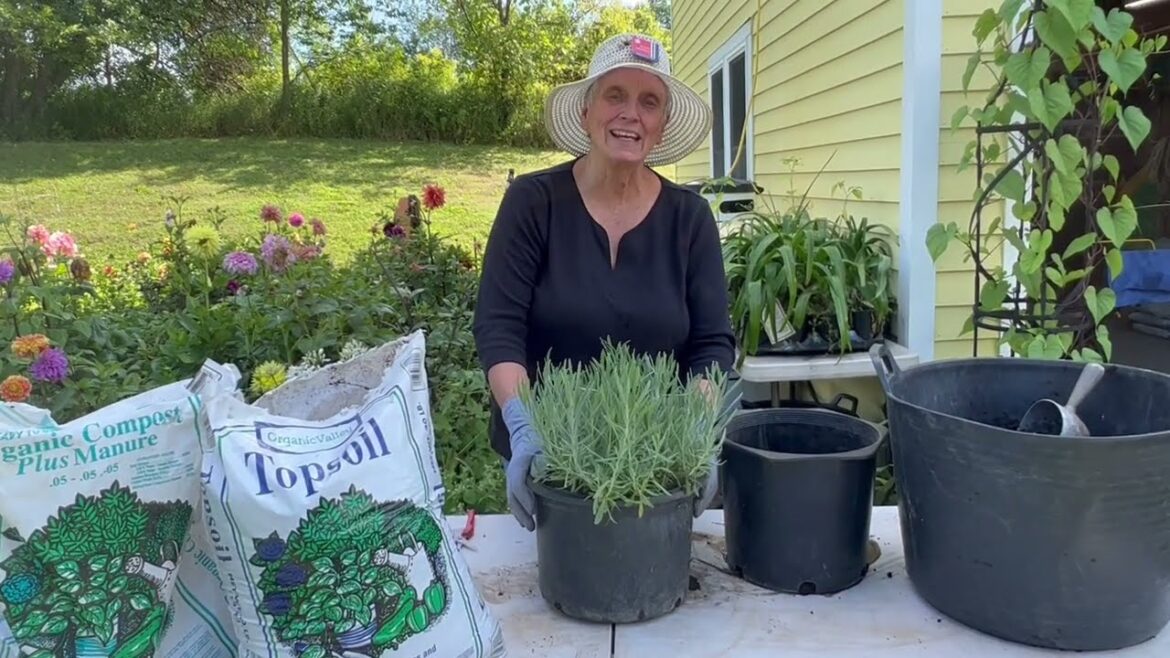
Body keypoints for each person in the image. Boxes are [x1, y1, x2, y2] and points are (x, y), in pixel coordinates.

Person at [472, 33, 737, 531]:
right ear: (586, 113)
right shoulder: (533, 203)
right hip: (552, 461)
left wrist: (696, 431)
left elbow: (712, 344)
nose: (630, 114)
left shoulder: (690, 219)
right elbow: (498, 327)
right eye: (615, 95)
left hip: (655, 468)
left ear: (660, 127)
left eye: (649, 102)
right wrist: (525, 428)